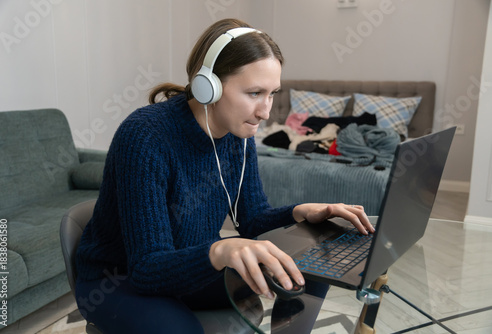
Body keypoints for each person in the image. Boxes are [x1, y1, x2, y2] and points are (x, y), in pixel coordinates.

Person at [75, 18, 374, 333]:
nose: (265, 111)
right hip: (117, 280)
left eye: (272, 93)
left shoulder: (239, 136)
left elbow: (253, 219)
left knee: (307, 269)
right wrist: (219, 250)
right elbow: (146, 268)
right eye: (254, 93)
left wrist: (301, 212)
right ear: (208, 86)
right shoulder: (145, 136)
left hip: (187, 268)